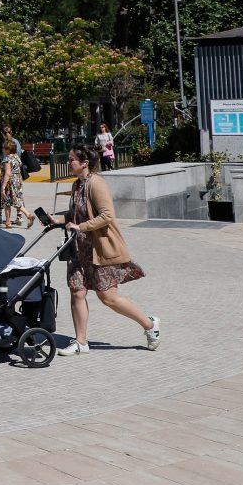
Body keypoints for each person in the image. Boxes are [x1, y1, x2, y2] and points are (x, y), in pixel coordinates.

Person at [50, 147, 161, 356]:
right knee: (77, 292)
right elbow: (76, 213)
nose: (69, 162)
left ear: (85, 163)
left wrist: (80, 227)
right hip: (78, 248)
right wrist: (58, 220)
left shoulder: (96, 183)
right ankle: (81, 342)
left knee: (108, 297)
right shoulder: (77, 185)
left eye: (72, 159)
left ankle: (149, 324)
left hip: (99, 248)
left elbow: (107, 215)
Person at [0, 137, 34, 229]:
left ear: (8, 149)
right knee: (16, 199)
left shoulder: (7, 159)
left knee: (7, 201)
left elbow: (8, 173)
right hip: (18, 181)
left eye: (4, 148)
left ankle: (27, 215)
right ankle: (8, 221)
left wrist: (3, 186)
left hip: (9, 182)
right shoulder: (16, 157)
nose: (2, 149)